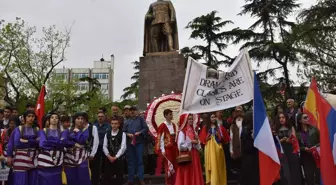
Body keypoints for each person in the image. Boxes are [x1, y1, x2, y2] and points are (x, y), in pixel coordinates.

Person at [7, 110, 40, 185]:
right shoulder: (18, 129)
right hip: (20, 160)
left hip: (33, 159)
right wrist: (9, 156)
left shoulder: (36, 130)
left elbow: (39, 143)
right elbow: (17, 143)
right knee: (20, 181)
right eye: (29, 116)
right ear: (24, 118)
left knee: (33, 182)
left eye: (32, 116)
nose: (31, 118)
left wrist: (26, 140)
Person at [37, 113, 68, 185]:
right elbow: (42, 144)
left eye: (56, 117)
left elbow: (63, 144)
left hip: (58, 164)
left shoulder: (62, 132)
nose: (54, 119)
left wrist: (49, 140)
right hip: (45, 163)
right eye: (52, 117)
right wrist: (58, 142)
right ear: (49, 120)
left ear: (58, 120)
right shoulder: (43, 131)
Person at [199, 112, 229, 185]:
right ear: (209, 118)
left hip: (218, 150)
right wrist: (207, 138)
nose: (213, 118)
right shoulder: (205, 128)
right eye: (212, 117)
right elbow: (202, 140)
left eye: (214, 117)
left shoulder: (220, 127)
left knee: (218, 166)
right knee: (212, 167)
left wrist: (218, 135)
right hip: (209, 150)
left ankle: (220, 182)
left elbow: (224, 139)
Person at [175, 114, 204, 185]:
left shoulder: (194, 131)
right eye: (189, 119)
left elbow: (198, 146)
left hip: (195, 155)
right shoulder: (182, 132)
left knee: (195, 171)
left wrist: (197, 143)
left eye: (191, 119)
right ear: (185, 120)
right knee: (187, 173)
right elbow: (180, 146)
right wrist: (191, 142)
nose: (191, 120)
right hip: (187, 155)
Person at [63, 112, 91, 185]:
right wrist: (74, 143)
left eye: (82, 119)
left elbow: (82, 140)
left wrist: (78, 132)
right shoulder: (68, 130)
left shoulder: (85, 130)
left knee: (83, 181)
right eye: (78, 118)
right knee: (71, 181)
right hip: (69, 159)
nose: (80, 120)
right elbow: (64, 142)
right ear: (74, 120)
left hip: (82, 159)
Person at [275, 112, 302, 185]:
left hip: (291, 150)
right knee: (285, 170)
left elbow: (295, 140)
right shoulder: (276, 129)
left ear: (286, 118)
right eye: (280, 118)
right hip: (282, 151)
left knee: (294, 168)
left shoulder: (291, 127)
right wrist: (281, 140)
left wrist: (289, 140)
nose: (281, 119)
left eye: (283, 117)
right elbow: (274, 142)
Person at [123, 106, 148, 185]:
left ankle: (141, 179)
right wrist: (128, 134)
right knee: (130, 161)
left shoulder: (141, 119)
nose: (132, 112)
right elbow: (123, 132)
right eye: (131, 111)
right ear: (129, 112)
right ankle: (130, 180)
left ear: (136, 111)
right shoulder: (126, 121)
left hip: (139, 143)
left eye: (134, 110)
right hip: (130, 144)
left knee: (139, 161)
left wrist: (140, 132)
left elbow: (146, 128)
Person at [155, 109, 178, 185]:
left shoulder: (174, 124)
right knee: (168, 166)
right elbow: (160, 139)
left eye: (171, 114)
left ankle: (175, 182)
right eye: (170, 114)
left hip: (174, 148)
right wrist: (163, 150)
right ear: (166, 115)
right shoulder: (162, 126)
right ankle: (169, 182)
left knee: (175, 165)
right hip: (167, 148)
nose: (171, 116)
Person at [296, 113, 320, 185]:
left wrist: (315, 147)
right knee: (309, 177)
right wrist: (303, 148)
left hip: (316, 155)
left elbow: (321, 141)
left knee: (318, 175)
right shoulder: (297, 133)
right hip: (305, 157)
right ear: (300, 120)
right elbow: (296, 146)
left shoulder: (314, 129)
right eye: (305, 117)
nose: (307, 119)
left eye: (307, 117)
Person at [102, 117, 126, 185]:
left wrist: (116, 157)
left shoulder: (122, 134)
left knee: (119, 177)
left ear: (118, 124)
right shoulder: (107, 133)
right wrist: (109, 156)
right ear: (110, 124)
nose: (114, 125)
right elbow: (104, 146)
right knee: (107, 176)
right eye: (112, 124)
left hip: (119, 158)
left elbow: (123, 147)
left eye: (116, 123)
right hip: (109, 158)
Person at [240, 112, 259, 185]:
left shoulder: (249, 129)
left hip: (250, 157)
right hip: (250, 157)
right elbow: (248, 147)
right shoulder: (246, 131)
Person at [90, 112, 110, 185]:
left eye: (102, 116)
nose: (100, 118)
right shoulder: (94, 126)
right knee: (96, 165)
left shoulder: (108, 126)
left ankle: (105, 180)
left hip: (106, 147)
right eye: (99, 116)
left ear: (104, 117)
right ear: (97, 118)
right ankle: (96, 179)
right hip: (96, 148)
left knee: (106, 164)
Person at [230, 109, 244, 175]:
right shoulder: (232, 127)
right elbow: (231, 139)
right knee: (238, 167)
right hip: (236, 149)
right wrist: (231, 150)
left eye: (240, 117)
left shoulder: (245, 125)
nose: (239, 118)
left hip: (244, 149)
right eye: (237, 117)